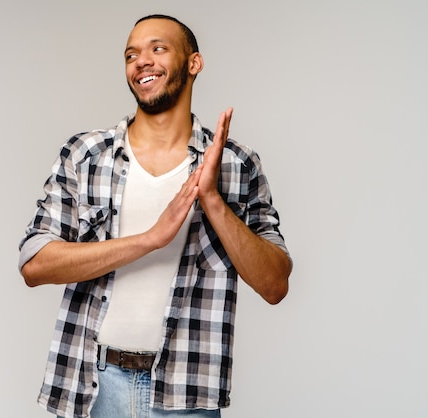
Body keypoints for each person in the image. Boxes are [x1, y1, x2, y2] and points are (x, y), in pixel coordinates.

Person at [18, 14, 292, 418]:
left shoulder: (236, 164)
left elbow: (274, 284)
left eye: (157, 48)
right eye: (131, 54)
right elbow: (34, 263)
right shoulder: (86, 154)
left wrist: (213, 200)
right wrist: (150, 239)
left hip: (187, 392)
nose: (141, 61)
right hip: (93, 386)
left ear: (193, 63)